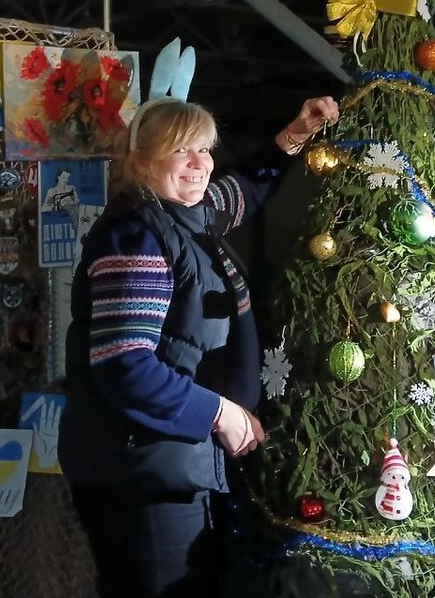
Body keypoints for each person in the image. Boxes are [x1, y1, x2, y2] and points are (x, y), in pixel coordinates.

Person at [59, 94, 340, 598]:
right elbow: (125, 365)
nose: (199, 163)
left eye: (206, 150)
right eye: (182, 151)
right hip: (139, 477)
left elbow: (246, 190)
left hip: (172, 466)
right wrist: (220, 415)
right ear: (143, 160)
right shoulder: (137, 239)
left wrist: (297, 134)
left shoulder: (190, 217)